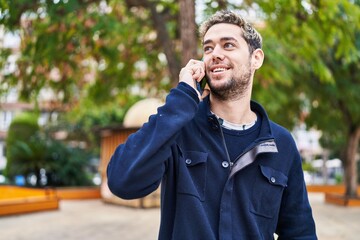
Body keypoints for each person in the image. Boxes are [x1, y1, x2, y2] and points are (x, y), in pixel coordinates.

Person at [107, 9, 317, 240]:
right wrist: (183, 97)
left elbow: (300, 232)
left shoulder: (282, 143)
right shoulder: (178, 128)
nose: (214, 54)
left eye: (228, 45)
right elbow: (122, 182)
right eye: (208, 48)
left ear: (256, 58)